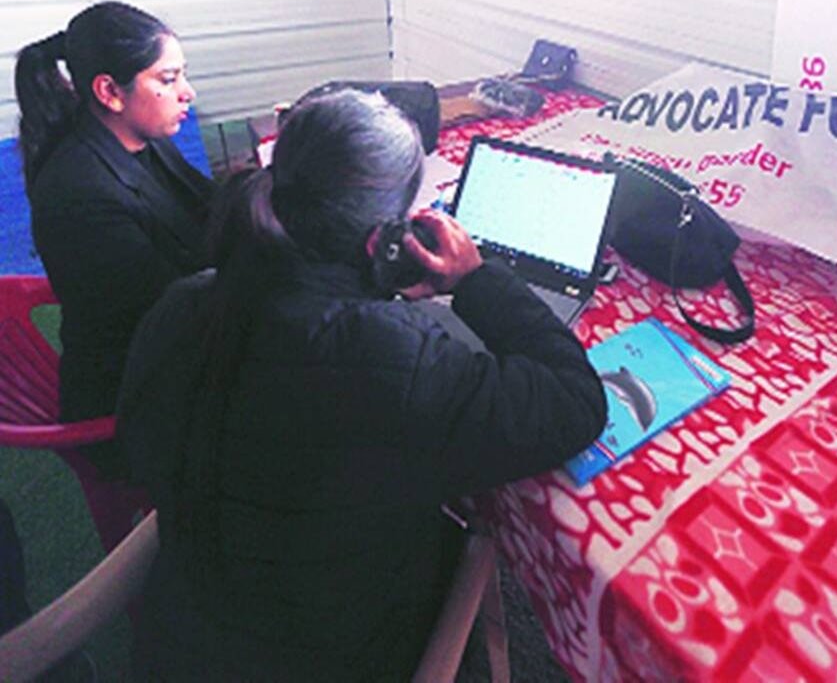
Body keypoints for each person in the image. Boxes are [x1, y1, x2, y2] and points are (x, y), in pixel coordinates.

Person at [116, 89, 606, 679]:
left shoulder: (183, 303)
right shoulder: (398, 360)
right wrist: (476, 280)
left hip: (184, 633)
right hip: (329, 654)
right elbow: (576, 402)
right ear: (383, 242)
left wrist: (366, 290)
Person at [15, 1, 213, 476]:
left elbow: (209, 208)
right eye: (168, 79)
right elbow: (174, 309)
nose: (187, 92)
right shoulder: (79, 194)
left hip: (174, 349)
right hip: (130, 402)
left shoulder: (139, 141)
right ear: (109, 91)